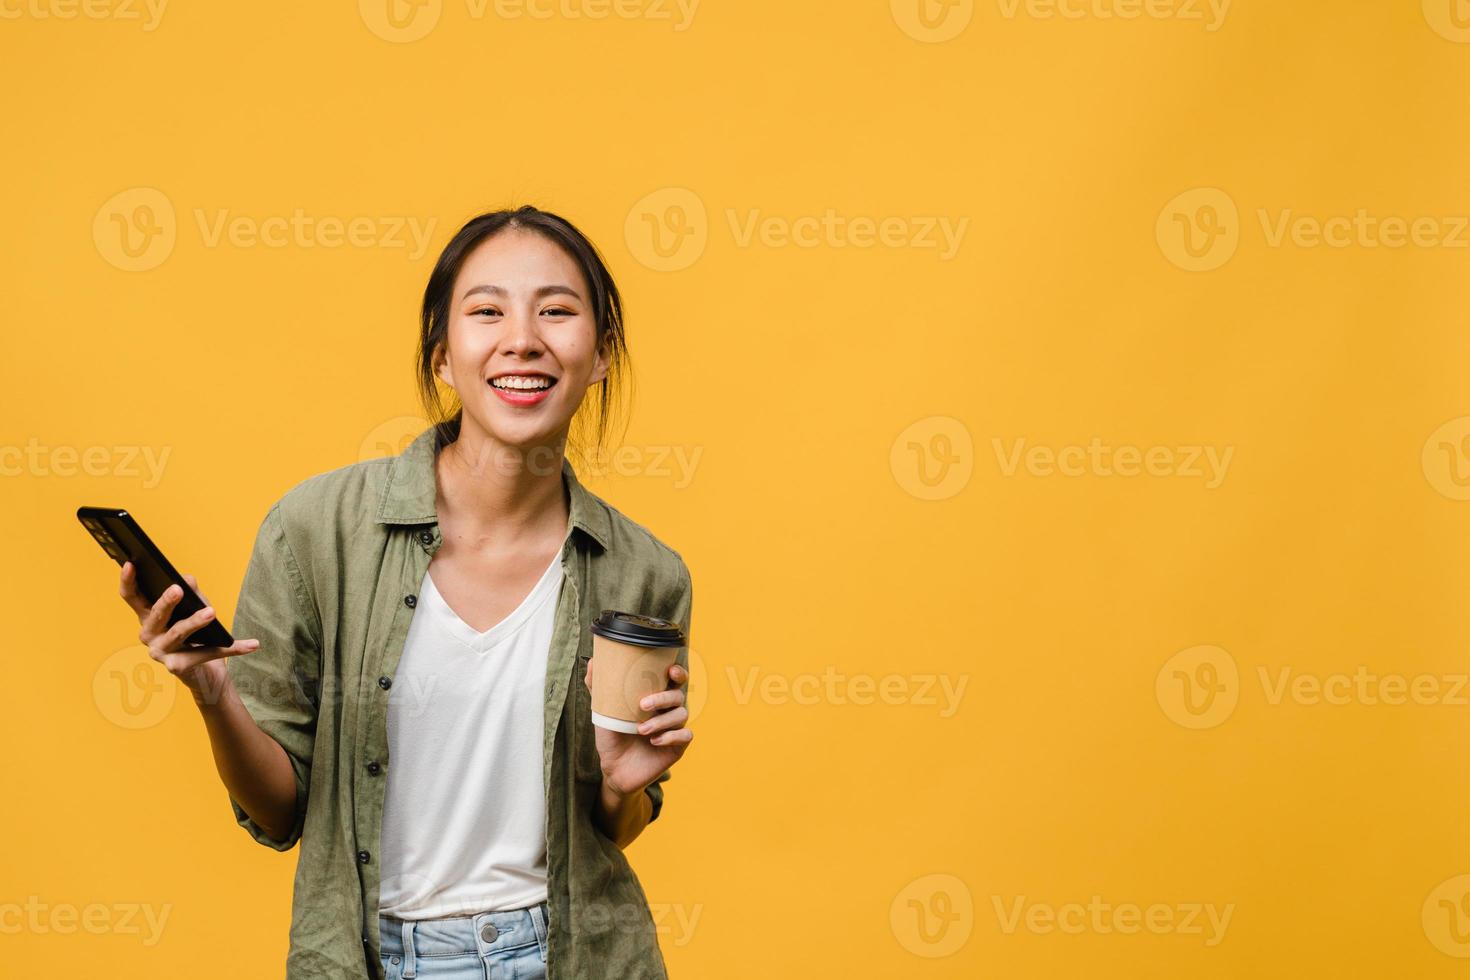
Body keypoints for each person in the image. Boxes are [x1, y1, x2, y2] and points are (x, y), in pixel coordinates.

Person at [116, 206, 696, 979]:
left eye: (556, 310)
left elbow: (610, 831)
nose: (522, 338)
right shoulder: (315, 532)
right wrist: (215, 694)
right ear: (443, 360)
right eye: (486, 311)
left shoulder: (645, 572)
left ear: (598, 357)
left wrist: (625, 790)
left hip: (577, 958)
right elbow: (280, 813)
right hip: (373, 959)